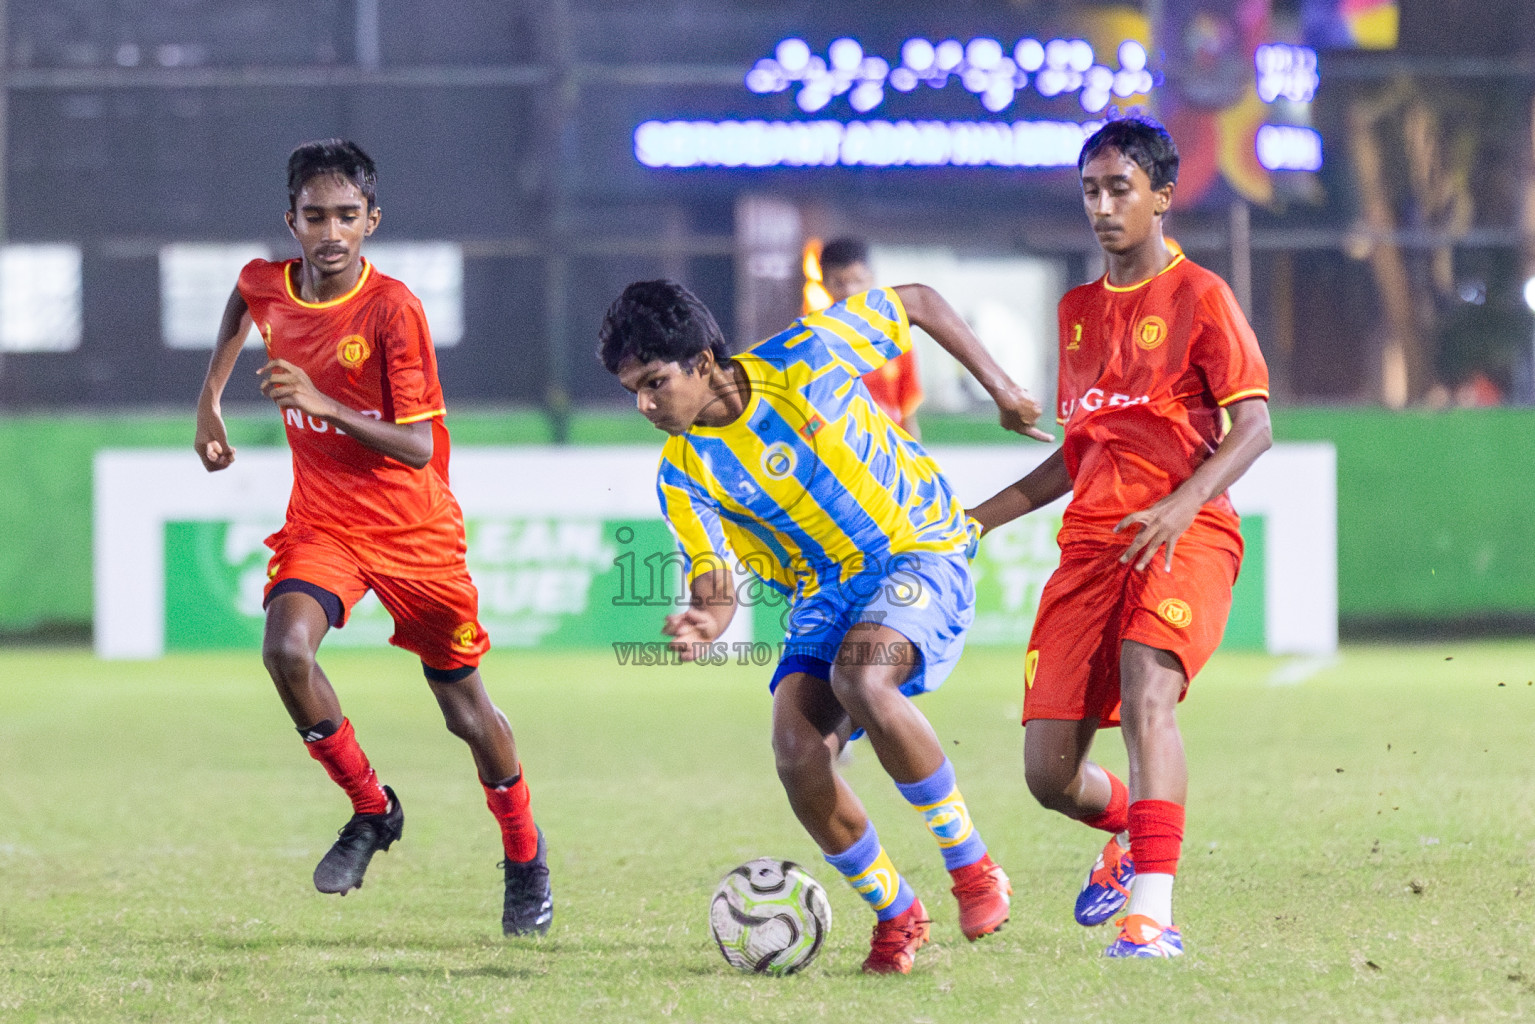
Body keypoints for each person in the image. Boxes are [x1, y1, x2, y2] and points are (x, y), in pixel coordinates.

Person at [598, 278, 1052, 973]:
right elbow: (714, 579)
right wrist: (706, 621)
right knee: (795, 752)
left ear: (704, 360)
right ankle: (898, 912)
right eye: (633, 390)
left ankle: (972, 866)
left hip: (916, 544)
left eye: (655, 383)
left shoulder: (804, 357)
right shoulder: (682, 471)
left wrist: (1003, 390)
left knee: (862, 680)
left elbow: (921, 301)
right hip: (822, 594)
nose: (645, 405)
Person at [192, 139, 552, 936]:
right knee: (286, 649)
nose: (330, 231)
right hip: (324, 524)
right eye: (315, 215)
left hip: (413, 530)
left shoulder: (394, 310)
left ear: (371, 221)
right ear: (291, 219)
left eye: (346, 216)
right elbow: (240, 301)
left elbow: (419, 446)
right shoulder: (267, 282)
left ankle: (524, 854)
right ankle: (371, 809)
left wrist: (320, 401)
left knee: (465, 712)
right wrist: (209, 401)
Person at [969, 117, 1272, 958]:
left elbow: (1253, 427)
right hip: (1091, 547)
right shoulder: (1074, 314)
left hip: (1185, 532)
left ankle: (1152, 916)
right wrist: (969, 523)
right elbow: (1076, 457)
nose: (1102, 207)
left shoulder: (1202, 297)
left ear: (1162, 198)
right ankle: (1131, 832)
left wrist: (1183, 504)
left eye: (1119, 190)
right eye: (1090, 191)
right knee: (1047, 774)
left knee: (1148, 692)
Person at [819, 237, 925, 438]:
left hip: (888, 444)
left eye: (857, 281)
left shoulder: (894, 334)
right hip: (839, 449)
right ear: (823, 282)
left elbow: (908, 406)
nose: (849, 291)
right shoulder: (816, 338)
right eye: (839, 283)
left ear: (872, 278)